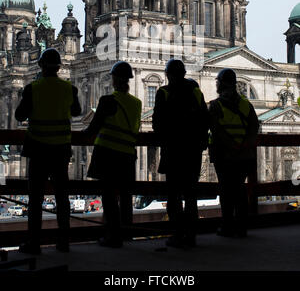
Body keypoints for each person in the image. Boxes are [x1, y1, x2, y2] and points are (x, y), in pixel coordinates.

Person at [15, 48, 81, 254]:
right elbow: (77, 112)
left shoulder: (32, 88)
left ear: (41, 66)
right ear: (59, 67)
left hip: (38, 149)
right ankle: (64, 242)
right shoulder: (69, 89)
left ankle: (34, 243)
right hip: (61, 150)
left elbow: (19, 116)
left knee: (36, 198)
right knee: (62, 197)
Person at [152, 59, 209, 248]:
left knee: (174, 194)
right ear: (184, 73)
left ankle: (177, 234)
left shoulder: (164, 92)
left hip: (173, 150)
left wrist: (164, 139)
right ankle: (191, 235)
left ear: (167, 74)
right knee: (191, 194)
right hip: (193, 150)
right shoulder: (195, 91)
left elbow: (157, 123)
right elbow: (205, 118)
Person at [85, 61, 142, 248]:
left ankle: (113, 235)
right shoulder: (137, 103)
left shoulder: (107, 101)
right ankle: (127, 234)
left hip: (108, 154)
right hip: (127, 155)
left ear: (115, 80)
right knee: (126, 196)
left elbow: (93, 128)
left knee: (109, 197)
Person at [208, 68, 259, 238]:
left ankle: (228, 225)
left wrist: (232, 145)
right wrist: (244, 144)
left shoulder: (216, 105)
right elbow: (254, 128)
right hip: (244, 156)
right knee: (240, 189)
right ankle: (242, 227)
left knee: (226, 191)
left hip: (225, 155)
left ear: (221, 83)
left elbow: (216, 130)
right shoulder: (246, 104)